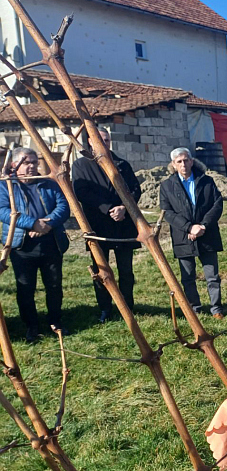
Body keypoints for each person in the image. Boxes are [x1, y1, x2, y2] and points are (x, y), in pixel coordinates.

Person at [72, 126, 142, 323]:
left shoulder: (121, 164)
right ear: (90, 142)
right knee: (102, 271)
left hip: (123, 225)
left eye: (107, 140)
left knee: (126, 270)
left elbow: (135, 190)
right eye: (100, 140)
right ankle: (105, 308)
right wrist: (108, 208)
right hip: (98, 226)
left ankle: (128, 306)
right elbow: (82, 192)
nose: (104, 143)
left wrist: (123, 208)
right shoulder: (81, 165)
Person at [0, 147, 70, 342]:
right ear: (14, 165)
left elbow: (63, 207)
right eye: (26, 162)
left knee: (54, 285)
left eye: (34, 162)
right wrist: (31, 223)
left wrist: (46, 223)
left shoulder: (48, 183)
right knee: (25, 287)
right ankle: (31, 326)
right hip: (21, 247)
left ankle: (55, 321)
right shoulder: (6, 186)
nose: (32, 166)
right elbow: (3, 211)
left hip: (51, 243)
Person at [159, 147, 225, 318]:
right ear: (173, 164)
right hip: (183, 236)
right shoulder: (167, 186)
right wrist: (189, 227)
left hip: (207, 234)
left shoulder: (206, 181)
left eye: (186, 160)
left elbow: (217, 204)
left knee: (212, 276)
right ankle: (194, 308)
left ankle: (216, 309)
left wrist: (202, 226)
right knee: (188, 277)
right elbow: (167, 212)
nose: (183, 164)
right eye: (179, 161)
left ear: (192, 161)